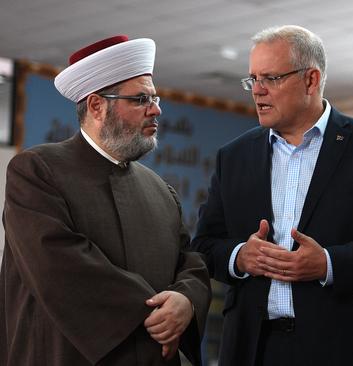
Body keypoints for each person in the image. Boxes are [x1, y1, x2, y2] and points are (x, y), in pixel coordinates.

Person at [191, 25, 353, 366]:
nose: (257, 91)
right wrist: (240, 257)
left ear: (311, 80)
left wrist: (327, 264)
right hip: (252, 348)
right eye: (252, 79)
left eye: (270, 78)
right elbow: (203, 246)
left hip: (341, 346)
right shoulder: (235, 156)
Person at [0, 35, 211, 366]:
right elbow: (59, 266)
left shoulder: (160, 190)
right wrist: (159, 314)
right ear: (97, 106)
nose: (156, 110)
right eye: (141, 99)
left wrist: (186, 301)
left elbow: (189, 261)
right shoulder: (38, 171)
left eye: (155, 98)